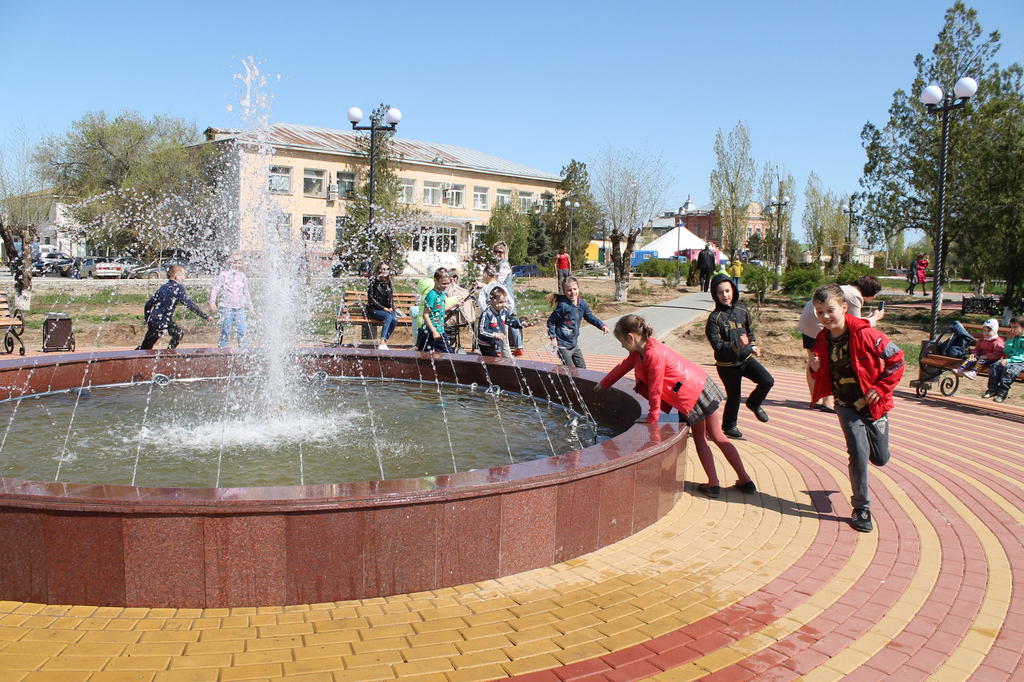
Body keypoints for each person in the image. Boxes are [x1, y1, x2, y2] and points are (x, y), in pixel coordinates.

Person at [597, 314, 756, 498]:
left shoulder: (653, 354)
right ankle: (745, 480)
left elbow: (656, 388)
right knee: (717, 435)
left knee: (703, 438)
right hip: (700, 385)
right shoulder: (642, 350)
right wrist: (604, 383)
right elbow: (624, 366)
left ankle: (714, 484)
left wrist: (653, 417)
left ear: (631, 337)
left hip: (692, 394)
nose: (621, 346)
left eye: (621, 341)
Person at [808, 283, 905, 533]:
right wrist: (814, 367)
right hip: (845, 405)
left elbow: (897, 359)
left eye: (829, 310)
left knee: (880, 458)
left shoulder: (865, 334)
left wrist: (882, 388)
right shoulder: (823, 338)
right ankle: (862, 507)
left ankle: (876, 451)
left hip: (874, 405)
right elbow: (820, 369)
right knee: (858, 454)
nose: (825, 317)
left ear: (843, 307)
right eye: (819, 312)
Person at [797, 276, 884, 412]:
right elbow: (857, 325)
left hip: (807, 323)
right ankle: (827, 401)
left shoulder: (843, 289)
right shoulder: (855, 296)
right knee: (827, 362)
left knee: (813, 361)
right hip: (819, 328)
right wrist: (875, 318)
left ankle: (816, 398)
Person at [705, 273, 775, 439]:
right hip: (727, 366)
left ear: (733, 290)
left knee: (767, 381)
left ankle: (754, 403)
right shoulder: (714, 319)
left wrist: (752, 345)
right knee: (734, 397)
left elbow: (749, 331)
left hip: (746, 359)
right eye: (720, 292)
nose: (725, 295)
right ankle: (729, 427)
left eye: (727, 291)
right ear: (715, 295)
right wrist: (736, 345)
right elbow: (718, 346)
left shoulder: (742, 309)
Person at [137, 264, 212, 350]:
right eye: (183, 275)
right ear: (177, 276)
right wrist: (204, 316)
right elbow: (189, 304)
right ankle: (168, 354)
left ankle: (134, 357)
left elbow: (148, 304)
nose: (184, 278)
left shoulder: (163, 287)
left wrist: (147, 318)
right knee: (178, 334)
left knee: (147, 345)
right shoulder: (178, 288)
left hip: (154, 319)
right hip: (164, 320)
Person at [547, 276, 608, 368]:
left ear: (578, 289)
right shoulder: (563, 306)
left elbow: (590, 317)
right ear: (564, 292)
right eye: (569, 290)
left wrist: (601, 325)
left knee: (583, 369)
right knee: (571, 371)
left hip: (574, 344)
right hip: (562, 345)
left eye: (574, 289)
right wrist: (553, 338)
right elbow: (550, 321)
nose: (572, 292)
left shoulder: (582, 304)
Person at [208, 253, 254, 350]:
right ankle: (222, 351)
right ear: (230, 263)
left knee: (242, 330)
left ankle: (244, 352)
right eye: (235, 262)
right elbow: (216, 288)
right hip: (226, 307)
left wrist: (251, 307)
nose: (237, 265)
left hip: (239, 308)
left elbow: (246, 292)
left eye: (239, 262)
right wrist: (212, 302)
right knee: (226, 330)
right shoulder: (224, 274)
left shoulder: (242, 276)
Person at [491, 241, 524, 355]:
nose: (497, 254)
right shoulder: (499, 264)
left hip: (505, 298)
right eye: (496, 251)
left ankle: (501, 348)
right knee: (509, 321)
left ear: (504, 253)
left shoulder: (504, 264)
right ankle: (518, 347)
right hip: (505, 297)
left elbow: (499, 280)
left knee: (502, 320)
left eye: (500, 252)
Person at [984, 316, 1024, 403]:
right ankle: (992, 390)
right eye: (1011, 327)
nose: (1012, 330)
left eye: (1015, 327)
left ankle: (1002, 393)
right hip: (1010, 360)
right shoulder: (1014, 336)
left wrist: (1008, 360)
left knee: (1008, 370)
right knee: (994, 366)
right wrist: (1010, 339)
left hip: (1021, 362)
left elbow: (1022, 356)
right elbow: (1007, 351)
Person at [365, 262, 401, 350]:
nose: (386, 271)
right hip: (374, 309)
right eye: (383, 269)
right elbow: (371, 299)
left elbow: (391, 297)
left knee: (395, 320)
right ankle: (382, 342)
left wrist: (392, 307)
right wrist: (384, 308)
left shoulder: (388, 282)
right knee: (388, 317)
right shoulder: (373, 281)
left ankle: (384, 341)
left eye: (387, 269)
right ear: (379, 270)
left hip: (386, 310)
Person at [417, 267, 454, 353]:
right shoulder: (431, 295)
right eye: (443, 283)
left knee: (447, 354)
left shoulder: (442, 294)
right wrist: (433, 330)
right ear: (436, 280)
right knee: (424, 356)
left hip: (439, 330)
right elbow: (425, 314)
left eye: (448, 283)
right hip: (429, 331)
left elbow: (440, 309)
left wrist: (455, 305)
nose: (446, 286)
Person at [477, 287, 522, 357]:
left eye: (505, 302)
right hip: (485, 344)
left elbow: (510, 321)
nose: (504, 304)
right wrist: (495, 334)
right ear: (492, 301)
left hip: (495, 341)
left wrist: (521, 324)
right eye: (500, 302)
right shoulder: (487, 314)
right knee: (492, 360)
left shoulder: (503, 311)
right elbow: (482, 331)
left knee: (503, 357)